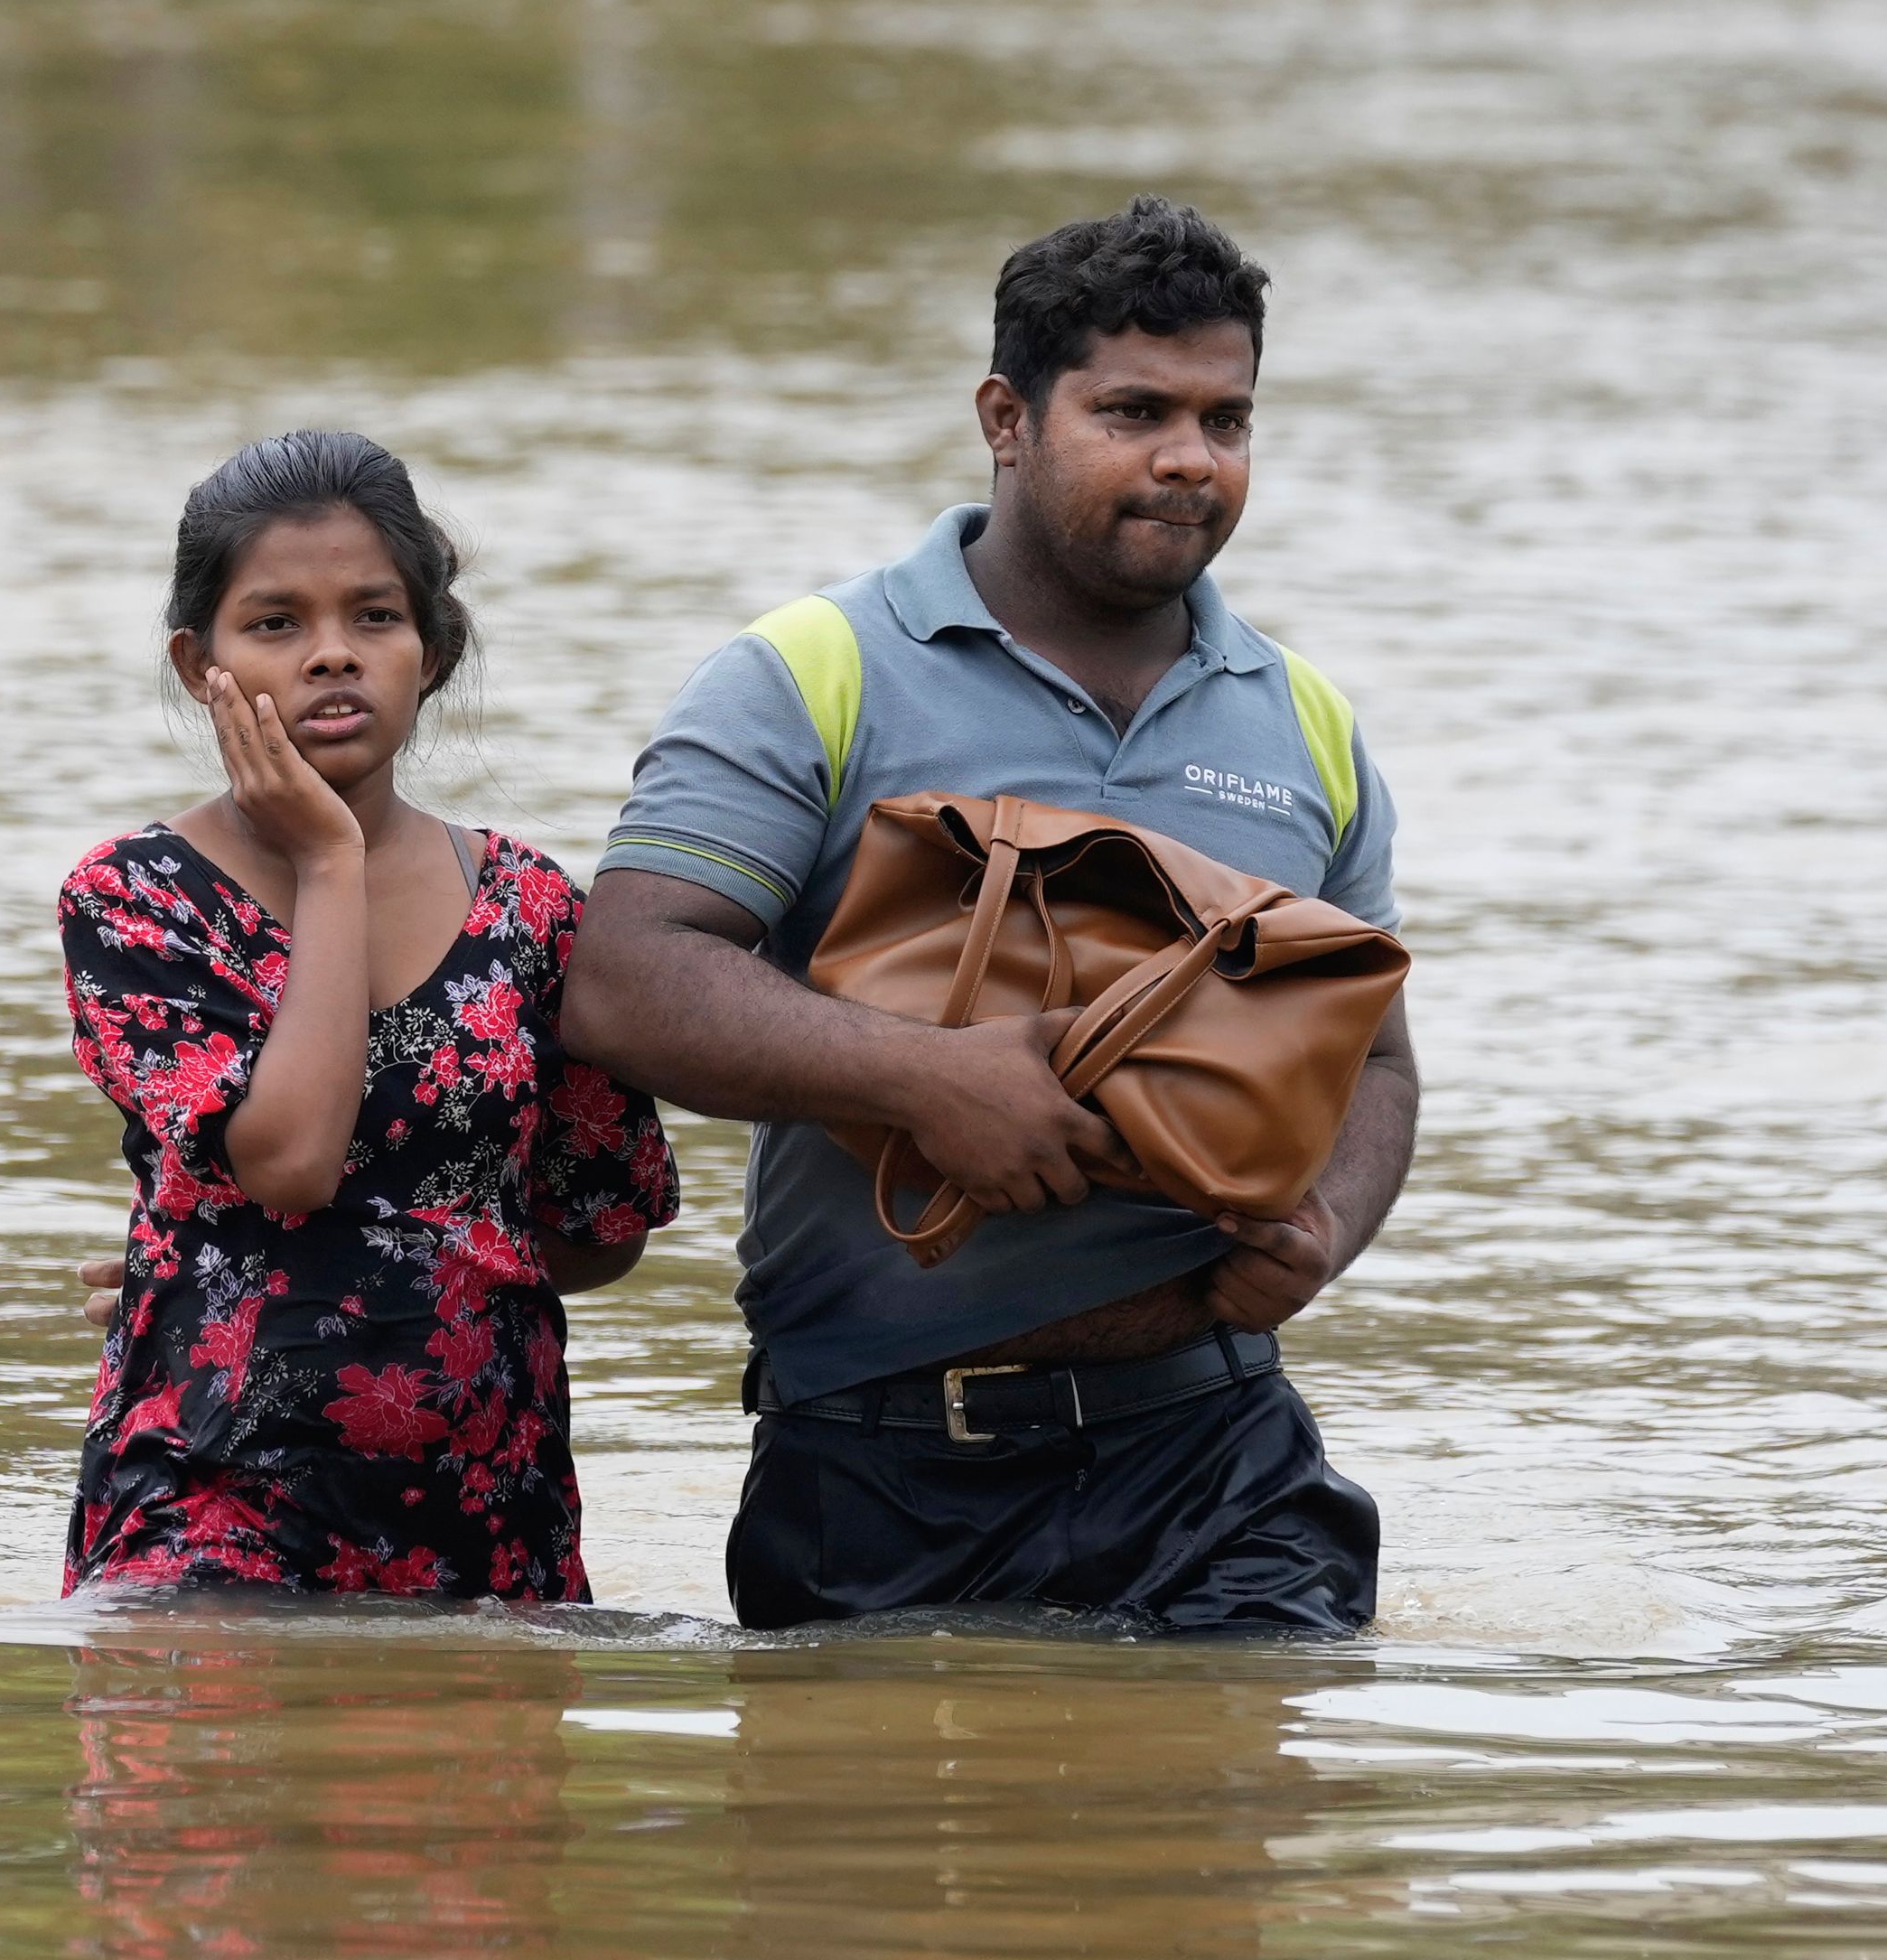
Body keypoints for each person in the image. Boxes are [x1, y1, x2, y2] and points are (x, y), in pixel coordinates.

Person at [559, 196, 1417, 1634]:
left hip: (1220, 1457)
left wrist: (1326, 1224)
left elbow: (1378, 1063)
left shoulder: (1306, 723)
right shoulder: (811, 673)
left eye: (1228, 419)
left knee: (1249, 1839)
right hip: (882, 1461)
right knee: (882, 1854)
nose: (1190, 460)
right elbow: (626, 981)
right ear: (1006, 418)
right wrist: (927, 1080)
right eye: (1135, 410)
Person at [57, 431, 678, 1601]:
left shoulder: (534, 908)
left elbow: (601, 1226)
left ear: (434, 649)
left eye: (376, 618)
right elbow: (289, 1164)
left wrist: (383, 1270)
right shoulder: (136, 903)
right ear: (202, 664)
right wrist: (332, 865)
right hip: (211, 1499)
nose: (332, 655)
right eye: (277, 623)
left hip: (488, 1512)